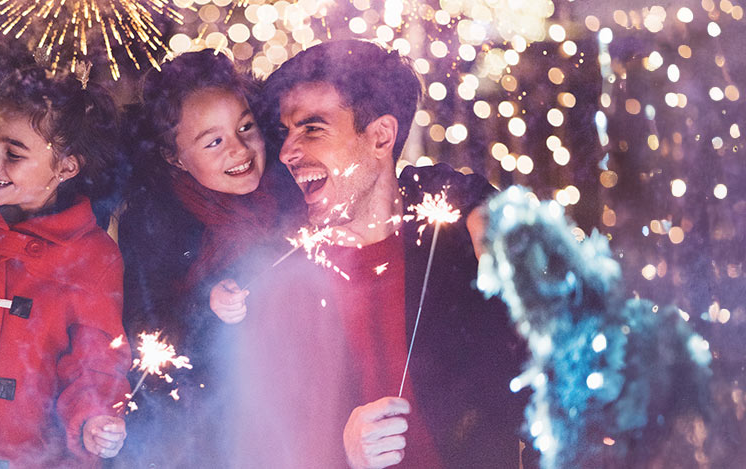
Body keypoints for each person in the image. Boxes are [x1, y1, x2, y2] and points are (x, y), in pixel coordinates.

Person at [224, 40, 529, 468]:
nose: (288, 151)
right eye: (285, 133)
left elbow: (545, 396)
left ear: (381, 136)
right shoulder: (275, 277)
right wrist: (342, 456)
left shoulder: (459, 247)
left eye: (312, 128)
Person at [0, 65, 131, 468]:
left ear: (66, 167)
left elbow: (95, 363)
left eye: (14, 153)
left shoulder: (93, 258)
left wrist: (94, 418)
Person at [114, 49, 305, 467]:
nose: (238, 150)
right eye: (214, 141)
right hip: (194, 429)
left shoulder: (294, 191)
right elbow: (144, 327)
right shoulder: (157, 222)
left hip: (287, 410)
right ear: (173, 156)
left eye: (245, 128)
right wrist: (206, 303)